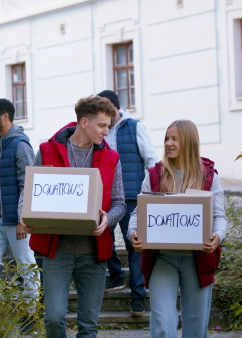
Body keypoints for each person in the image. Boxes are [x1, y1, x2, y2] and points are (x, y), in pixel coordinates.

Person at [20, 95, 126, 338]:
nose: (106, 132)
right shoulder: (47, 150)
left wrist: (107, 220)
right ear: (85, 122)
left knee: (89, 326)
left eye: (109, 126)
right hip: (57, 250)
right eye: (102, 126)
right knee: (54, 318)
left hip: (94, 252)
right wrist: (23, 214)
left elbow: (120, 202)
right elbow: (29, 188)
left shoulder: (112, 158)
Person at [128, 120, 227, 338]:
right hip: (162, 258)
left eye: (174, 139)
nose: (168, 143)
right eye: (166, 138)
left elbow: (219, 217)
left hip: (198, 259)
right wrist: (133, 232)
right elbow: (138, 213)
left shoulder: (208, 176)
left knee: (195, 324)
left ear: (189, 142)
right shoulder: (155, 175)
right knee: (162, 321)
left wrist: (217, 236)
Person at [97, 90, 158, 317]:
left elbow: (151, 159)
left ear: (113, 107)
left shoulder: (135, 127)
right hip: (106, 197)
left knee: (135, 245)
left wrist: (152, 189)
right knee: (104, 236)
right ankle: (115, 277)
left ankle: (138, 297)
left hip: (132, 195)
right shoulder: (100, 130)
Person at [0, 98, 38, 291]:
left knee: (26, 266)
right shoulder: (0, 144)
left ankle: (31, 315)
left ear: (5, 116)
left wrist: (23, 219)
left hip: (15, 220)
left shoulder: (20, 145)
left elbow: (28, 185)